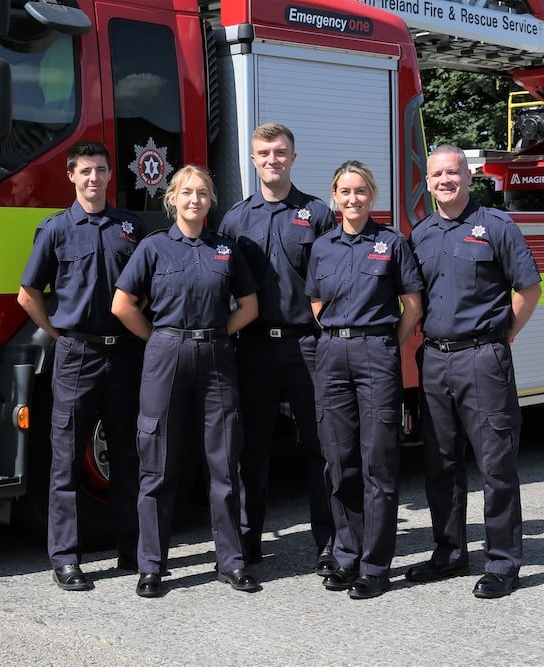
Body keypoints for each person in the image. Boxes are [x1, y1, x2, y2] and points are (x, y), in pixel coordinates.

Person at [111, 165, 260, 598]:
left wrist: (216, 335)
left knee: (224, 463)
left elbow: (248, 307)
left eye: (203, 193)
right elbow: (123, 305)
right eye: (187, 192)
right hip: (166, 354)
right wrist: (159, 339)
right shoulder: (153, 248)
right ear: (172, 198)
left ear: (211, 201)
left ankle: (231, 562)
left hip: (216, 355)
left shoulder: (226, 251)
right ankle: (152, 565)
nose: (195, 200)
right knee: (157, 461)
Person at [406, 144, 542, 599]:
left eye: (453, 172)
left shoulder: (496, 226)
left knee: (495, 464)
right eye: (436, 174)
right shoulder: (420, 234)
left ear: (468, 177)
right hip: (434, 359)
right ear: (426, 182)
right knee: (439, 463)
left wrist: (503, 338)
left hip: (482, 359)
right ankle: (449, 552)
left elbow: (529, 288)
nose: (445, 180)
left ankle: (503, 562)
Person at [17, 140, 145, 592]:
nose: (94, 178)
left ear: (112, 176)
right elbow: (28, 293)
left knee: (129, 455)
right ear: (71, 176)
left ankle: (134, 551)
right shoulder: (54, 230)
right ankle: (66, 558)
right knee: (66, 458)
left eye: (101, 171)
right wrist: (58, 335)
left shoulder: (132, 227)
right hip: (77, 356)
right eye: (85, 171)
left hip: (125, 353)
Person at [218, 123, 336, 574]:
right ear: (253, 160)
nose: (273, 159)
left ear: (293, 157)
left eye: (281, 151)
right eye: (264, 152)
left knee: (320, 446)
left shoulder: (317, 214)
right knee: (251, 449)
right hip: (253, 348)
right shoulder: (233, 220)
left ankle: (329, 543)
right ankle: (246, 545)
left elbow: (333, 279)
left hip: (306, 344)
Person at [305, 161, 424, 600]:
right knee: (338, 460)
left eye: (360, 191)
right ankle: (345, 555)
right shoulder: (322, 248)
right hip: (332, 353)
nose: (352, 198)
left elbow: (412, 305)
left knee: (377, 462)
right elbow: (316, 302)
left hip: (377, 353)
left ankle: (375, 566)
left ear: (371, 195)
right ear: (334, 196)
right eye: (344, 191)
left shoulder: (391, 243)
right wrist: (342, 336)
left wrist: (383, 342)